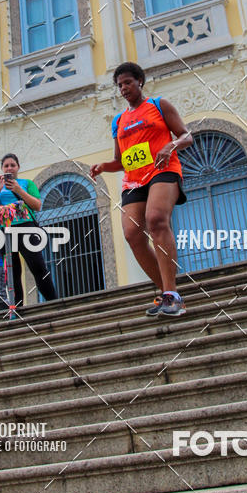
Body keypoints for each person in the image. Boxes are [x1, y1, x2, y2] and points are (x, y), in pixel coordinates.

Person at [90, 62, 193, 317]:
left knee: (156, 219)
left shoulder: (159, 105)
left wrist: (170, 146)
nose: (123, 88)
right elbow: (121, 160)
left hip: (163, 171)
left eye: (127, 83)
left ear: (140, 81)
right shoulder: (119, 121)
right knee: (132, 233)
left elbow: (186, 136)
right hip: (134, 180)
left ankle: (172, 294)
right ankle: (166, 292)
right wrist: (104, 166)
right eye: (119, 85)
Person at [0, 153, 57, 307]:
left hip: (26, 227)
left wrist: (18, 189)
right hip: (4, 230)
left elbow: (37, 205)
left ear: (18, 167)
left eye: (12, 165)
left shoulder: (27, 183)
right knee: (12, 272)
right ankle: (17, 308)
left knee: (38, 266)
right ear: (2, 169)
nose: (9, 168)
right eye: (6, 166)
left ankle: (53, 302)